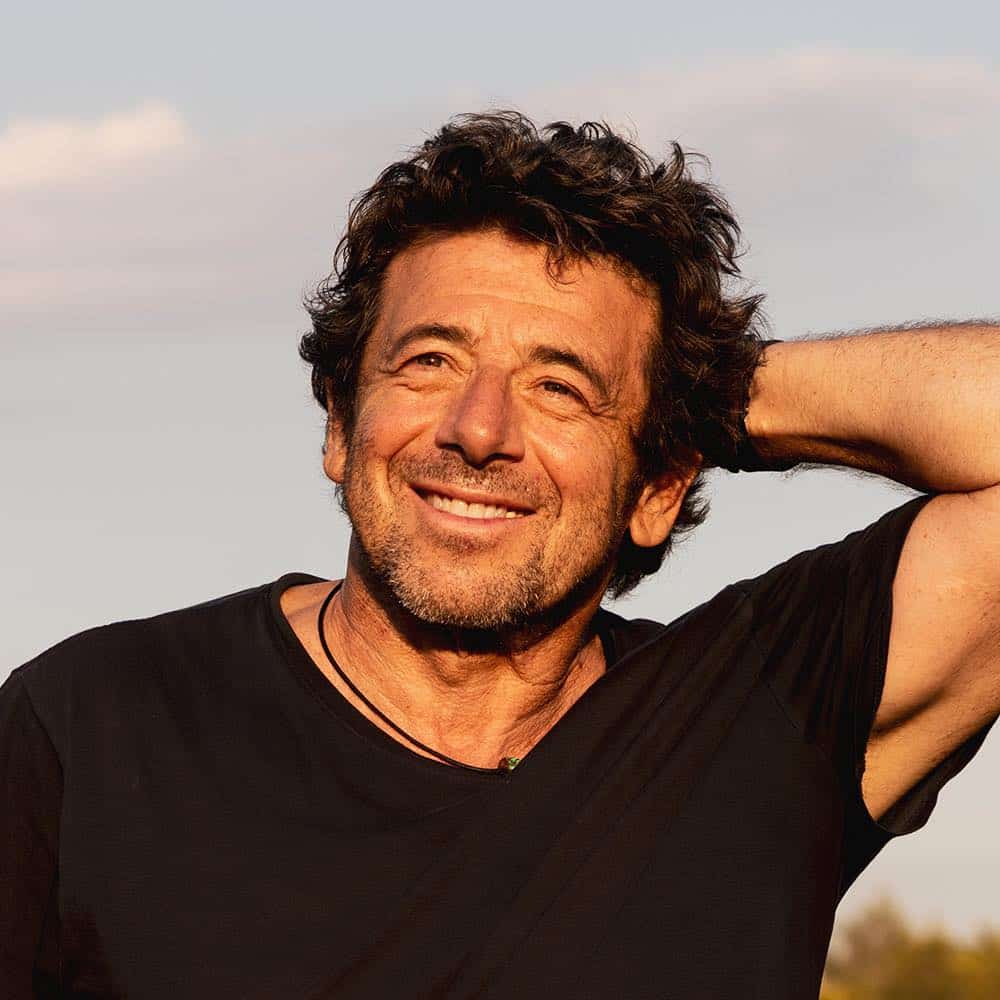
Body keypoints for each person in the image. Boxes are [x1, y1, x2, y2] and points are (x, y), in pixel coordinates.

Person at [2, 111, 998, 1000]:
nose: (478, 430)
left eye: (560, 387)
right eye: (430, 360)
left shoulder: (766, 711)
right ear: (340, 426)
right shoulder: (92, 724)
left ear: (658, 488)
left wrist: (699, 390)